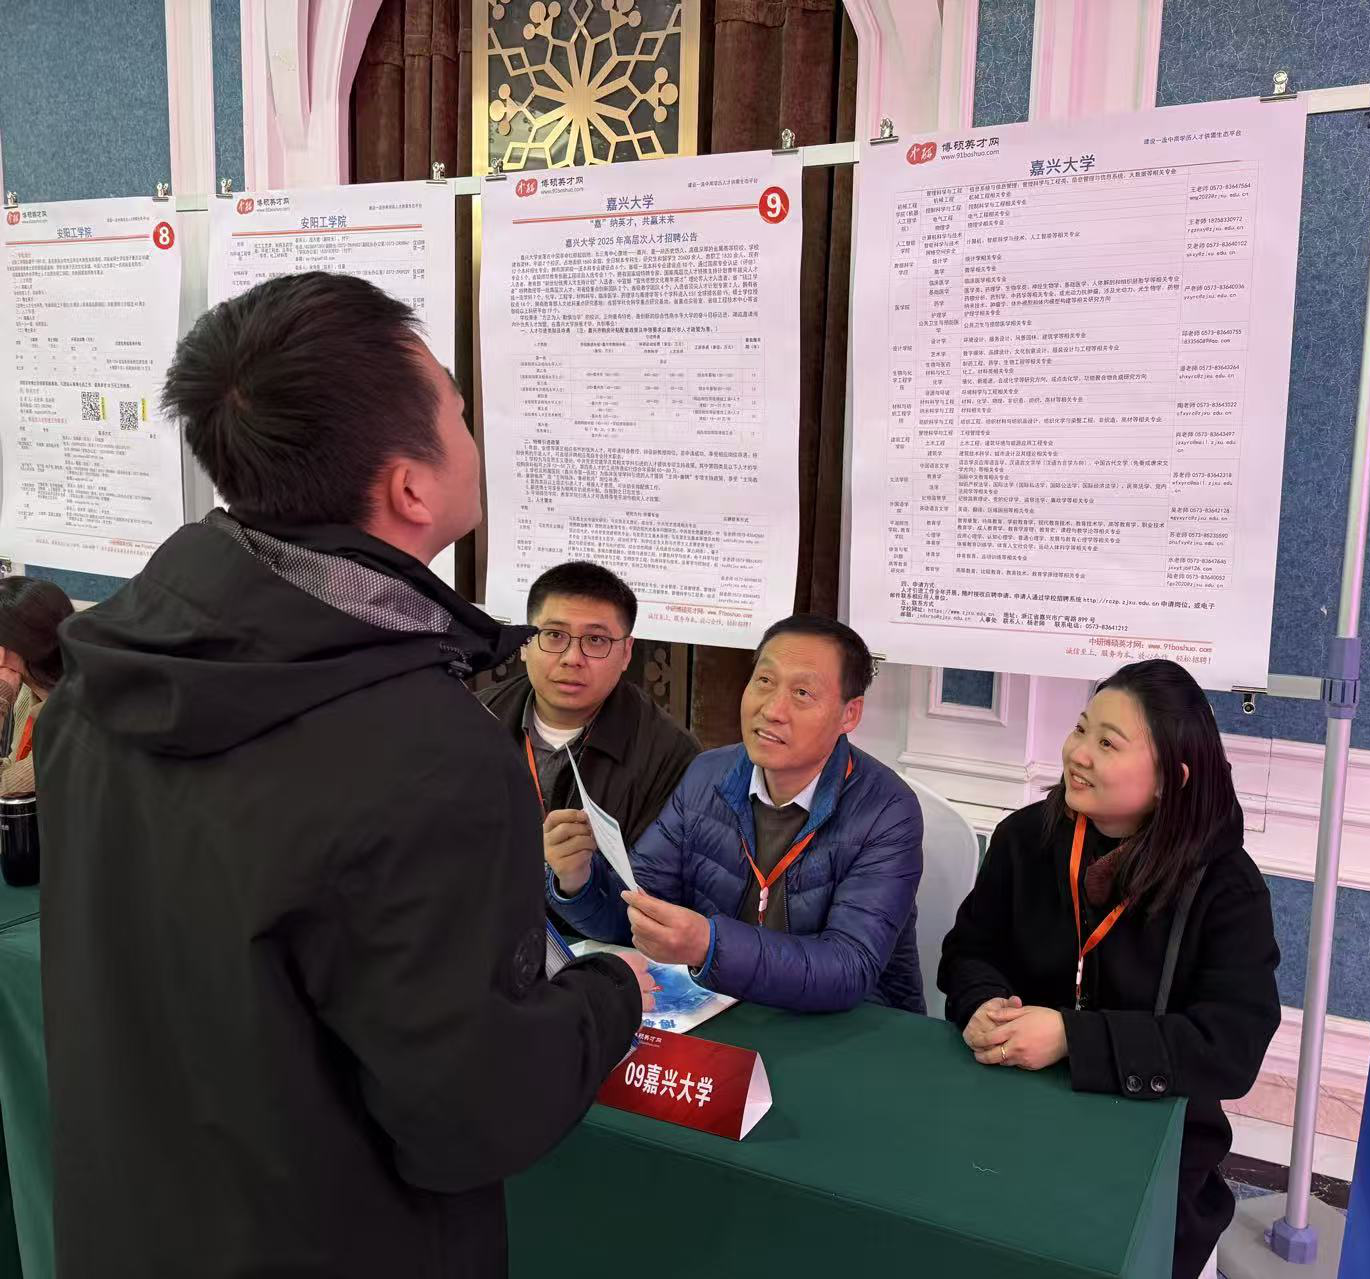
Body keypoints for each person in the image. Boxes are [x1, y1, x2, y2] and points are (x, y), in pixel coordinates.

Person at [35, 272, 647, 1279]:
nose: (471, 428)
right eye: (456, 408)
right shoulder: (428, 754)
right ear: (410, 488)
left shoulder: (97, 681)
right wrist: (609, 996)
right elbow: (470, 1115)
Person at [939, 660, 1280, 1279]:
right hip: (1009, 1119)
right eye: (1080, 729)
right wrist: (982, 1002)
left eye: (1107, 743)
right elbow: (968, 952)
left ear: (1171, 779)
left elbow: (1231, 1048)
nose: (1078, 754)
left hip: (1149, 1152)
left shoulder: (1225, 886)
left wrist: (1072, 1037)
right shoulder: (1027, 839)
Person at [554, 614, 927, 1013]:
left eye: (802, 693)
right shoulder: (707, 775)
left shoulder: (888, 811)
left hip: (851, 1025)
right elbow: (639, 914)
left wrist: (709, 945)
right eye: (764, 681)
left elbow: (849, 968)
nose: (772, 709)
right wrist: (578, 881)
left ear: (849, 714)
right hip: (722, 1006)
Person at [477, 561, 699, 957]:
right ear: (524, 643)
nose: (572, 658)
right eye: (554, 635)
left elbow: (655, 907)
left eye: (595, 641)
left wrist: (575, 883)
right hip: (479, 941)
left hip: (594, 955)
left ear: (626, 652)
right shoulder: (474, 719)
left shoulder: (671, 755)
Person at [0, 577, 74, 796]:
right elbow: (14, 764)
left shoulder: (70, 729)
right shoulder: (30, 692)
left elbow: (6, 789)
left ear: (3, 652)